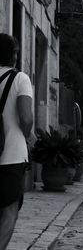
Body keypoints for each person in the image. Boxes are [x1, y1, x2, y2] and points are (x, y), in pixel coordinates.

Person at [0, 33, 33, 249]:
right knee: (9, 210)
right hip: (10, 155)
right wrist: (28, 134)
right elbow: (26, 117)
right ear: (13, 54)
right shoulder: (20, 78)